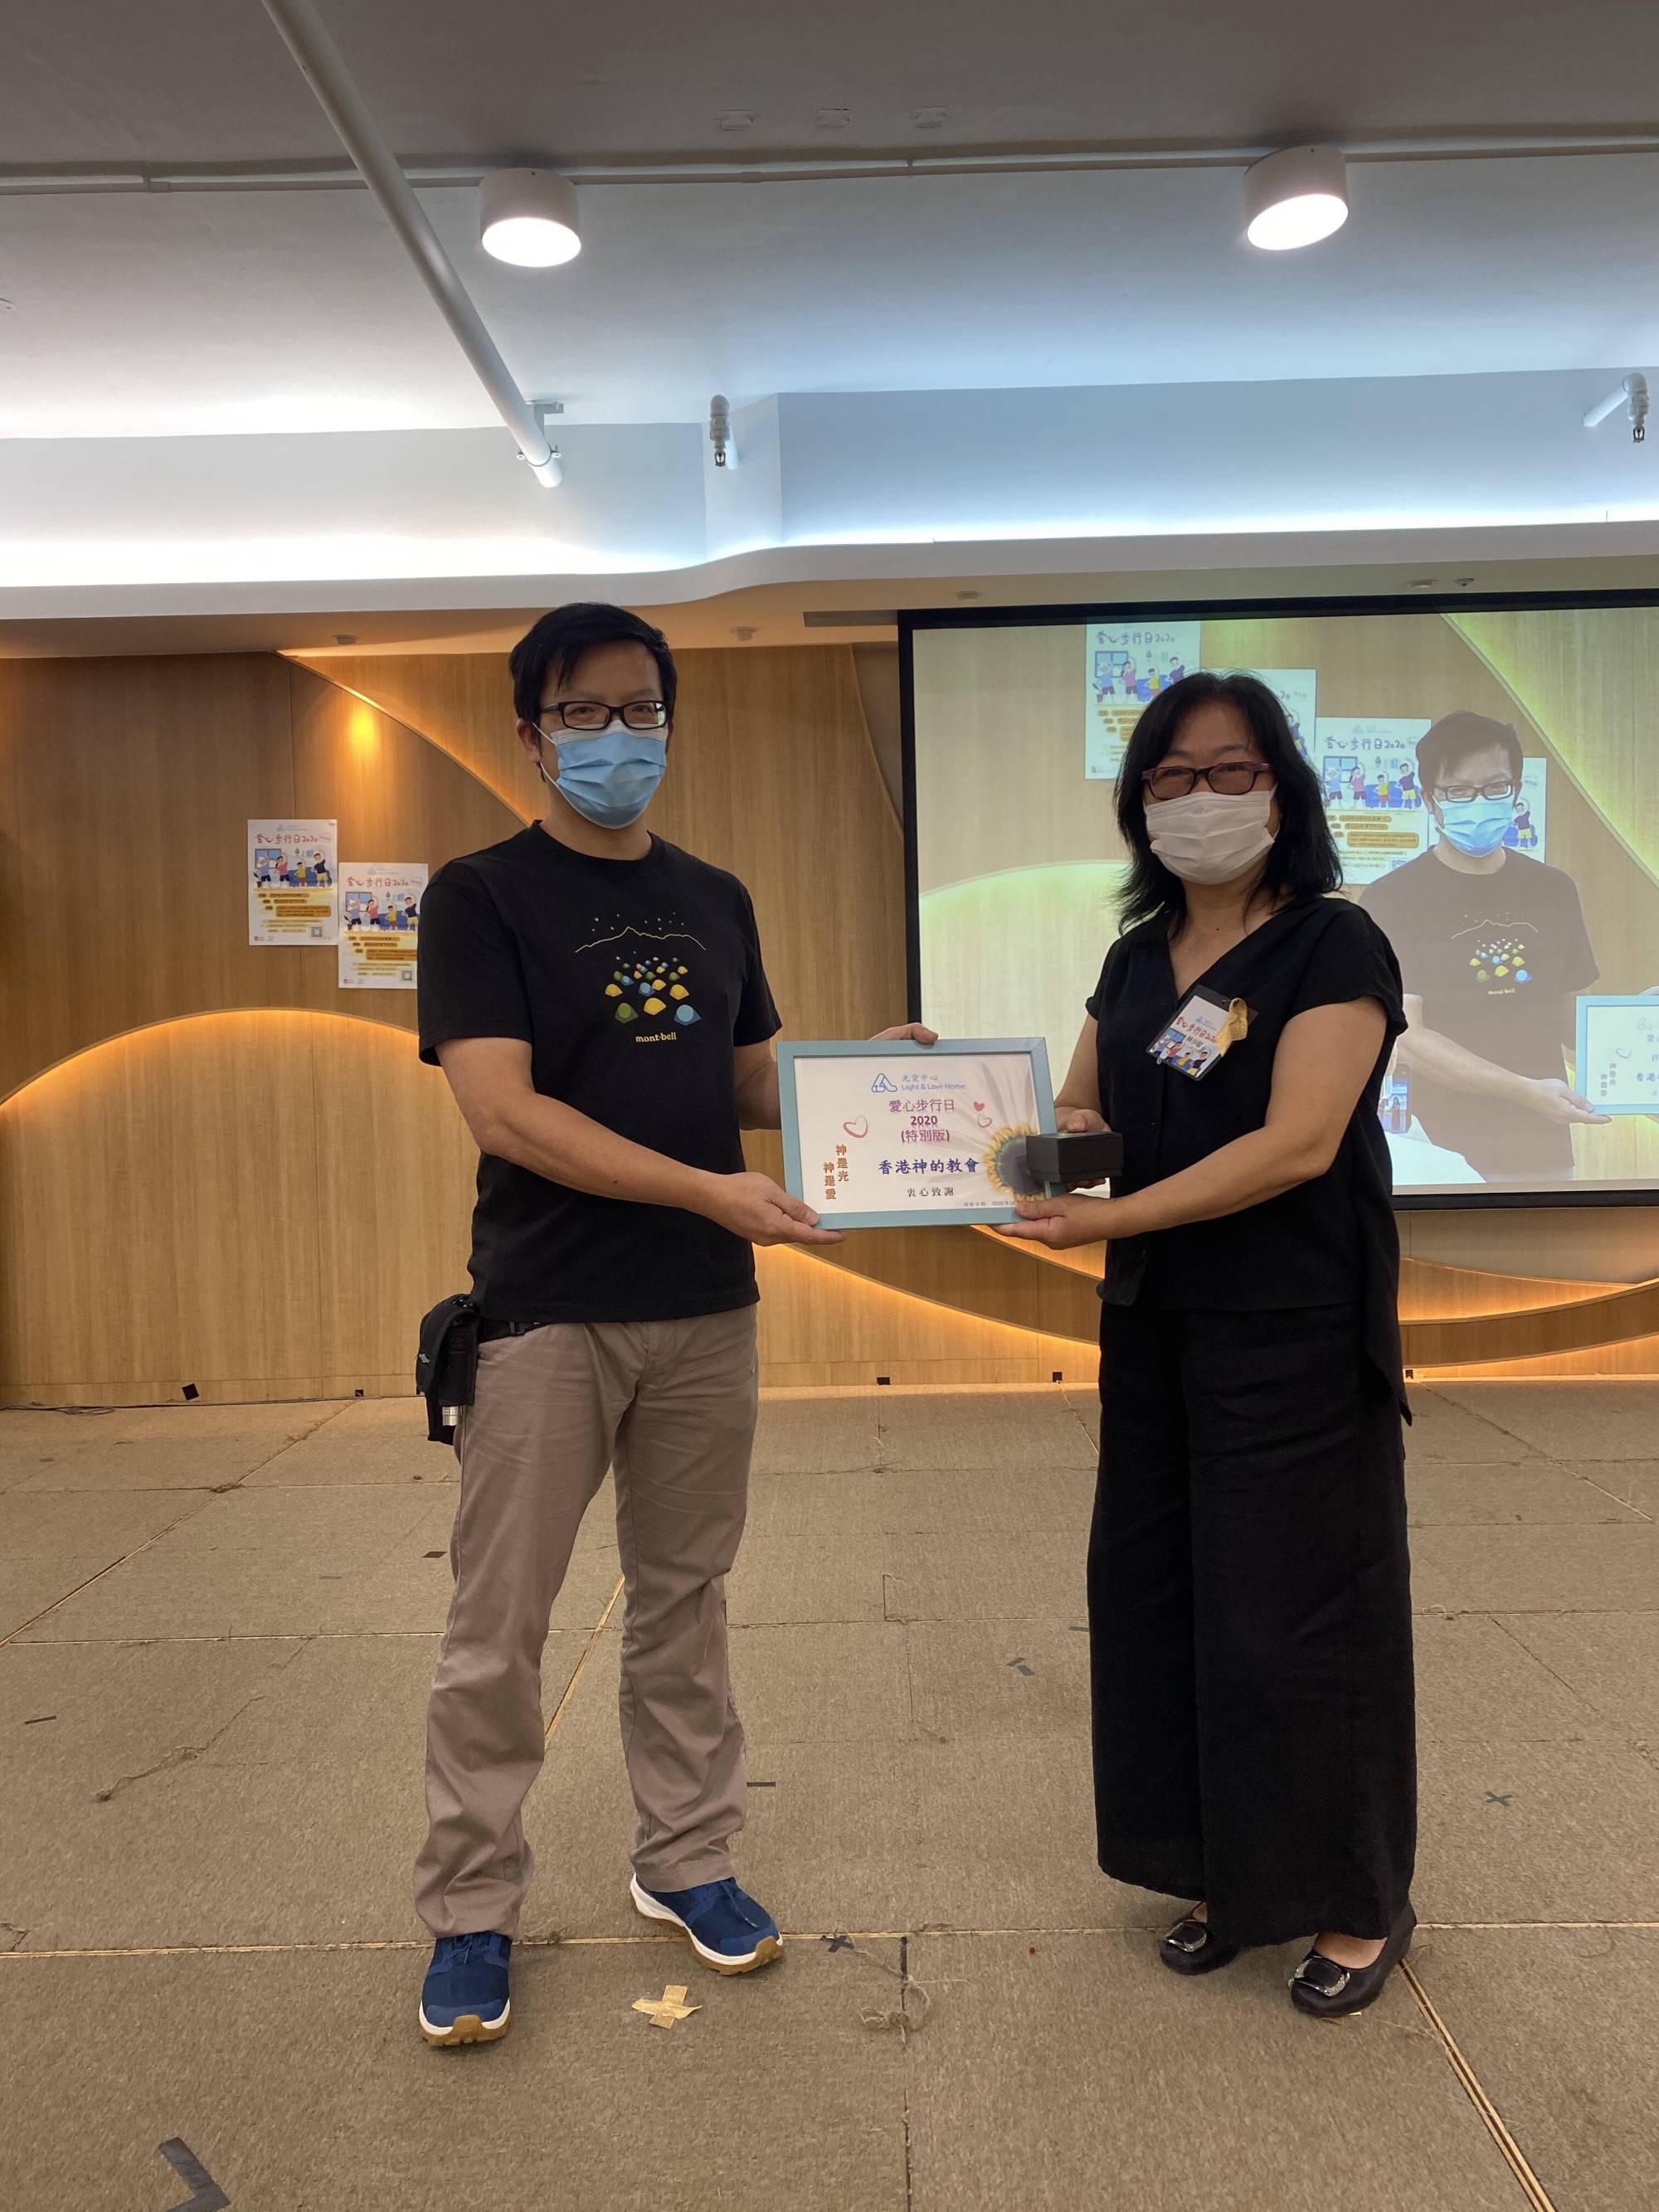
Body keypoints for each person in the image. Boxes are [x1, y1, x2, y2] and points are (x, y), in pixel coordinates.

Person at [411, 600, 924, 2048]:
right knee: (498, 1624)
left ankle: (686, 1857)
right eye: (583, 712)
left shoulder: (716, 894)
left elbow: (742, 1081)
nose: (616, 737)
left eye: (641, 709)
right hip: (545, 1313)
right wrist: (710, 1190)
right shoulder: (480, 896)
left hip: (704, 1311)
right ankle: (469, 1905)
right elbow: (506, 1109)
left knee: (685, 1599)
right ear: (532, 735)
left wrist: (859, 1077)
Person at [1000, 670, 1417, 2019]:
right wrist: (964, 1128)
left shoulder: (1333, 943)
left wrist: (1108, 1218)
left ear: (1282, 787)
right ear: (1140, 804)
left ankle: (1359, 1897)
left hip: (1293, 1325)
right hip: (1157, 1328)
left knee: (1300, 1616)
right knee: (1168, 1603)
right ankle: (1224, 1872)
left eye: (1231, 769)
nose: (1201, 796)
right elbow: (1085, 1109)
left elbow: (1297, 1143)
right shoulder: (1137, 958)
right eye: (1172, 776)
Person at [1361, 713, 1603, 1184]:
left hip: (1542, 1141)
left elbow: (1570, 1015)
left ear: (1516, 791)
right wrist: (1524, 1089)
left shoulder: (1553, 889)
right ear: (1430, 800)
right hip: (1434, 1149)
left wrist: (1633, 1029)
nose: (1480, 802)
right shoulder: (1392, 899)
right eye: (1459, 791)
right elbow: (1408, 1037)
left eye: (1496, 787)